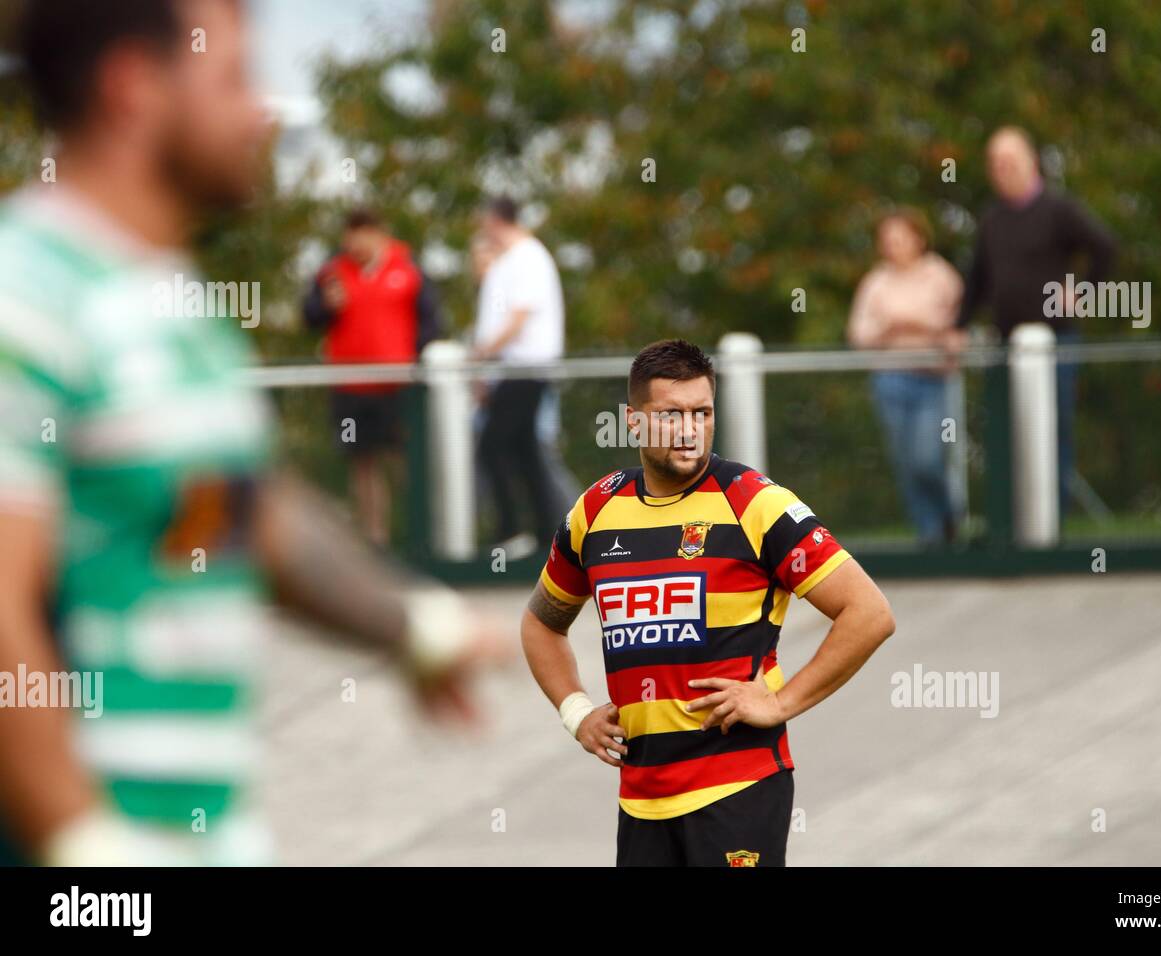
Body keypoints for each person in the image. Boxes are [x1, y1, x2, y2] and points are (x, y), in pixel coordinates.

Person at [0, 0, 502, 867]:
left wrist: (412, 626)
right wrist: (80, 843)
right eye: (233, 77)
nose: (260, 112)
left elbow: (241, 512)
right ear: (132, 88)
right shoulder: (27, 299)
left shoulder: (175, 312)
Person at [520, 339, 896, 866]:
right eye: (671, 415)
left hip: (737, 791)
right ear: (632, 421)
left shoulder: (753, 502)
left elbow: (869, 613)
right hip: (642, 802)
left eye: (702, 412)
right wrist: (576, 712)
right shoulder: (596, 510)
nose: (690, 429)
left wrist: (780, 702)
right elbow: (541, 624)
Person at [956, 126, 1115, 512]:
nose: (1002, 169)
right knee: (1010, 432)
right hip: (1005, 345)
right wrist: (957, 327)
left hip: (1053, 341)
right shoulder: (992, 219)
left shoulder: (1058, 209)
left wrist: (1081, 292)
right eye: (995, 163)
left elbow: (1105, 247)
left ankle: (1051, 525)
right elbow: (977, 278)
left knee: (1052, 429)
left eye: (1009, 160)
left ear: (1032, 161)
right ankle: (1016, 523)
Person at [303, 207, 442, 546]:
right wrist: (325, 306)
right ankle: (373, 539)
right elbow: (309, 316)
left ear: (379, 233)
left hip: (397, 387)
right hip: (350, 387)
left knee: (403, 460)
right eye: (351, 232)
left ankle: (420, 539)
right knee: (362, 463)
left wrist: (409, 357)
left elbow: (433, 322)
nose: (355, 241)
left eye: (363, 231)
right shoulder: (332, 273)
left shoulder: (408, 270)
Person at [848, 208, 965, 546]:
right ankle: (928, 535)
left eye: (900, 237)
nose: (893, 245)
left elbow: (959, 327)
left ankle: (949, 518)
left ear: (918, 238)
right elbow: (859, 334)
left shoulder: (941, 275)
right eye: (887, 240)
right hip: (890, 379)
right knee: (906, 462)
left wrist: (923, 326)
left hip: (933, 380)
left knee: (928, 456)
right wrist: (891, 327)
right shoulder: (876, 282)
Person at [472, 196, 565, 560]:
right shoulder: (513, 260)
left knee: (493, 446)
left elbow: (519, 315)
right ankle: (547, 535)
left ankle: (511, 530)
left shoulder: (528, 256)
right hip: (511, 371)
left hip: (525, 369)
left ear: (494, 219)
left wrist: (481, 355)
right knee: (525, 452)